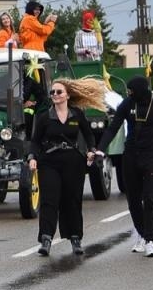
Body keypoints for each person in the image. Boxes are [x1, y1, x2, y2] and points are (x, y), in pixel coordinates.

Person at [94, 75, 153, 258]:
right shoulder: (127, 104)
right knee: (134, 201)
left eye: (131, 91)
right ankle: (142, 233)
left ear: (141, 91)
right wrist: (100, 150)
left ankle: (150, 240)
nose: (129, 94)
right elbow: (113, 128)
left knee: (151, 199)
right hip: (131, 156)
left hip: (152, 155)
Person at [26, 78, 103, 256]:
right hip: (49, 162)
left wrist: (91, 150)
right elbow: (35, 141)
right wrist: (32, 157)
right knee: (49, 200)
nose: (55, 95)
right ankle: (46, 239)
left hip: (73, 162)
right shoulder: (44, 117)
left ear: (67, 95)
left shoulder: (77, 115)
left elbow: (89, 135)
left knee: (72, 200)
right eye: (52, 92)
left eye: (59, 92)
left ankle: (75, 238)